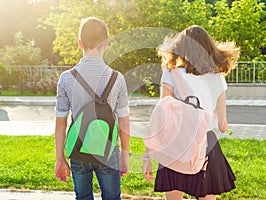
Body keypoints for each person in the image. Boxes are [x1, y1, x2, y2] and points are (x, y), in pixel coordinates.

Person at [143, 25, 240, 200]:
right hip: (206, 145)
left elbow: (162, 115)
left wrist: (147, 155)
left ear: (181, 47)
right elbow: (222, 125)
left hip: (177, 142)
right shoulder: (217, 77)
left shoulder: (171, 72)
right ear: (209, 48)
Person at [54, 17, 130, 200]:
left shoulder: (66, 78)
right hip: (108, 150)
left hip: (78, 150)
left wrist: (60, 158)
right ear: (106, 43)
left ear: (80, 43)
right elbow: (124, 121)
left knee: (83, 197)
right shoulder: (117, 78)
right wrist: (124, 155)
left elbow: (60, 123)